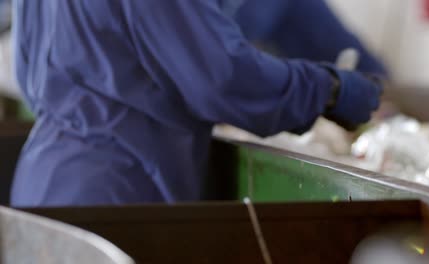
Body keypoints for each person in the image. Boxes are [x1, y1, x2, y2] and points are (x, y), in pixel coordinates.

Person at [11, 0, 384, 206]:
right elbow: (220, 78)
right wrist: (328, 89)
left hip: (42, 183)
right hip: (119, 191)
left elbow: (28, 70)